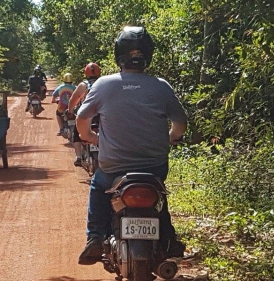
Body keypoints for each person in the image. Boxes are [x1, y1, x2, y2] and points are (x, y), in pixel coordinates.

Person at [76, 26, 188, 266]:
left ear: (118, 54)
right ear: (148, 54)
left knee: (98, 186)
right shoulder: (161, 86)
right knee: (158, 192)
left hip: (113, 168)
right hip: (154, 167)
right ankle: (167, 238)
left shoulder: (103, 84)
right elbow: (181, 122)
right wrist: (171, 137)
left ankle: (95, 238)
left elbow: (81, 120)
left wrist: (91, 138)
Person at [67, 62, 101, 166]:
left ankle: (78, 156)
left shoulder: (83, 85)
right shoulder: (104, 83)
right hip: (101, 116)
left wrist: (70, 111)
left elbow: (73, 100)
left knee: (77, 132)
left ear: (86, 73)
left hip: (87, 116)